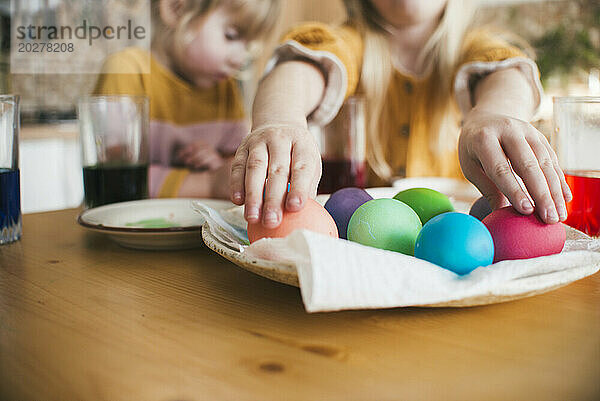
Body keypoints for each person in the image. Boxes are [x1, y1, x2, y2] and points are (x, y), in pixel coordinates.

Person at [229, 0, 572, 230]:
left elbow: (507, 74)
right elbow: (302, 67)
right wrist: (280, 117)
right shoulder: (352, 43)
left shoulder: (474, 47)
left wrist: (495, 112)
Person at [94, 0, 280, 198]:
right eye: (231, 36)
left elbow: (234, 164)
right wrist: (208, 182)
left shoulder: (226, 89)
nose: (240, 59)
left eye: (248, 45)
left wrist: (218, 164)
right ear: (176, 9)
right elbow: (117, 177)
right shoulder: (127, 71)